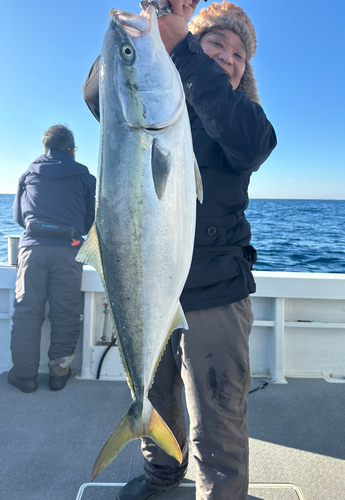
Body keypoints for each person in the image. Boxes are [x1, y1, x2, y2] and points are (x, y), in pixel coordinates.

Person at [82, 0, 276, 498]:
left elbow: (255, 143)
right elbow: (97, 92)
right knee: (155, 394)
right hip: (150, 284)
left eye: (239, 53)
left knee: (219, 416)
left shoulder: (239, 117)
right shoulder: (163, 100)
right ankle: (162, 475)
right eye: (217, 42)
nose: (229, 57)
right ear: (191, 41)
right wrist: (152, 28)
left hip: (216, 292)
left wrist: (187, 51)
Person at [8, 124, 96, 393]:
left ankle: (24, 376)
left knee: (26, 313)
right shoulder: (85, 176)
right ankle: (59, 374)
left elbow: (18, 218)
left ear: (45, 149)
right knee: (66, 313)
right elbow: (87, 223)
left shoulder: (29, 173)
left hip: (32, 249)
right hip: (68, 251)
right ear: (71, 150)